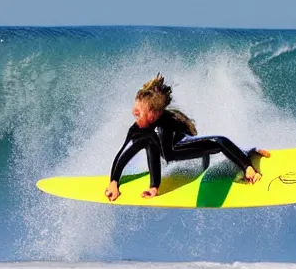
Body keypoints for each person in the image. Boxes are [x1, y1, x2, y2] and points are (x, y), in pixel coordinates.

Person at [104, 73, 270, 202]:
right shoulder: (137, 130)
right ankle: (154, 184)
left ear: (154, 114)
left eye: (139, 113)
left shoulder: (167, 127)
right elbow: (123, 155)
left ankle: (246, 156)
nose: (134, 115)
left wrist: (247, 165)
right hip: (165, 149)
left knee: (210, 151)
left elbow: (219, 141)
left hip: (181, 142)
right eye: (135, 111)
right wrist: (114, 182)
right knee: (148, 142)